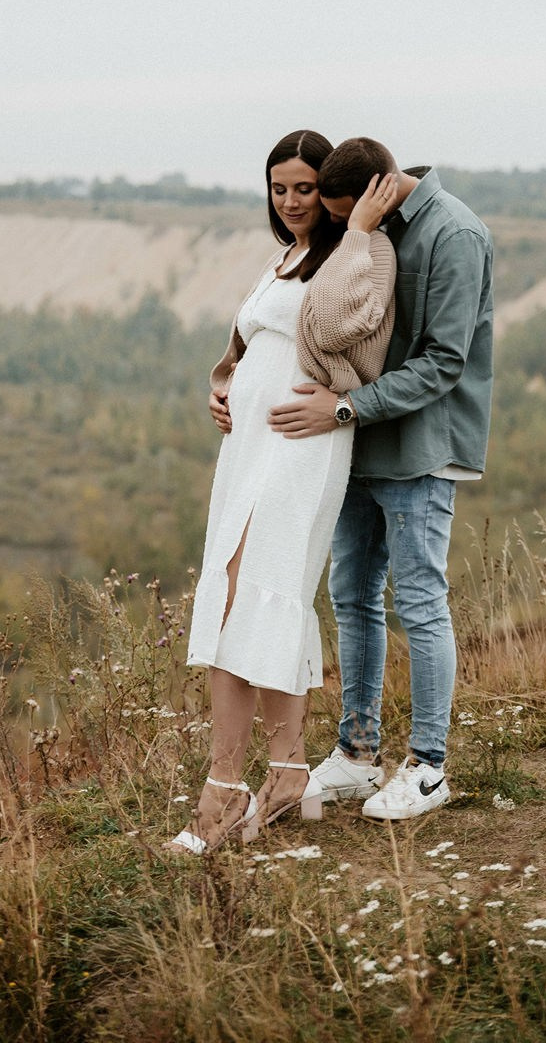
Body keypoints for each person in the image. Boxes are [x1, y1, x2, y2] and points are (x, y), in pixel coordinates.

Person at [166, 130, 397, 855]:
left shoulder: (365, 255)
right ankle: (289, 771)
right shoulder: (286, 257)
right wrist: (222, 383)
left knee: (259, 591)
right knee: (243, 594)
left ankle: (225, 786)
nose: (292, 202)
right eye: (279, 188)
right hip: (250, 445)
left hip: (303, 442)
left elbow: (330, 327)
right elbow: (247, 340)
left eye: (304, 188)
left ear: (331, 193)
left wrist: (358, 231)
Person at [268, 137, 494, 820]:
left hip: (418, 448)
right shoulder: (369, 224)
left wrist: (344, 406)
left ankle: (428, 768)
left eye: (342, 214)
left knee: (419, 600)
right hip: (357, 444)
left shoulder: (454, 233)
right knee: (351, 595)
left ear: (381, 187)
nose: (335, 224)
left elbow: (444, 361)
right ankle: (358, 756)